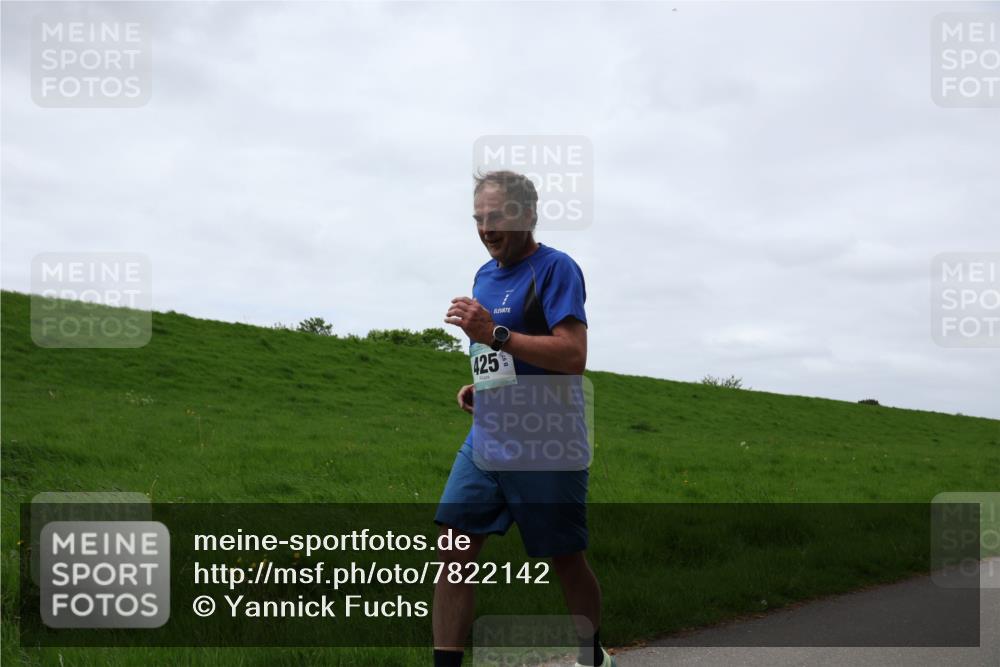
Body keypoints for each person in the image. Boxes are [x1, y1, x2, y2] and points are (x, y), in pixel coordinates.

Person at [433, 170, 613, 667]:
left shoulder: (557, 269)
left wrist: (496, 335)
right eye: (479, 218)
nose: (486, 228)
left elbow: (573, 354)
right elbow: (497, 350)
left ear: (528, 216)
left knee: (565, 559)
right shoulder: (483, 276)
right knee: (454, 551)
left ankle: (591, 658)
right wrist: (482, 383)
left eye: (497, 217)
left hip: (547, 442)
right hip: (487, 439)